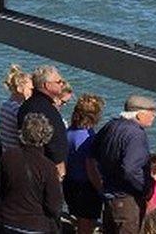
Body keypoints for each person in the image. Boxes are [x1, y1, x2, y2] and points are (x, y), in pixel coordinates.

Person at [91, 94, 156, 234]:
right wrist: (146, 188)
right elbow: (130, 169)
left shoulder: (110, 126)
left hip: (110, 195)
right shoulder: (136, 135)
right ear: (139, 115)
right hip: (127, 199)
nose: (154, 116)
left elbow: (93, 153)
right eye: (151, 112)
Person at [0, 113, 64, 234]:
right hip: (36, 226)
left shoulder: (8, 156)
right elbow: (54, 206)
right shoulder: (48, 166)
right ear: (46, 136)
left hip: (8, 221)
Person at [65, 94, 106, 234]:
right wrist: (100, 188)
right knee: (86, 223)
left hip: (70, 182)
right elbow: (91, 168)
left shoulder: (69, 132)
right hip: (85, 186)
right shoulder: (88, 138)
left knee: (79, 220)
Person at [17, 65, 69, 176]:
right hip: (47, 168)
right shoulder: (47, 109)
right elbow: (56, 141)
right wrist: (60, 166)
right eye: (59, 82)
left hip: (29, 163)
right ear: (47, 85)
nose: (62, 84)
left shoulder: (26, 105)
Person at [0, 64, 33, 150]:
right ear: (20, 89)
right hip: (18, 154)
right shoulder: (17, 109)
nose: (32, 92)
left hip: (7, 153)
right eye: (30, 89)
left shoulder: (6, 105)